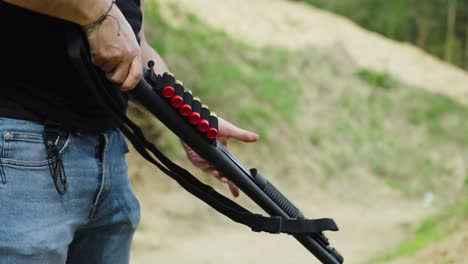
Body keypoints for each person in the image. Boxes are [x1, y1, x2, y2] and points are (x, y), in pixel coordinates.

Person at [0, 0, 259, 263]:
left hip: (108, 153)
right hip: (20, 147)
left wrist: (190, 122)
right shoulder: (101, 13)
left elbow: (137, 47)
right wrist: (99, 15)